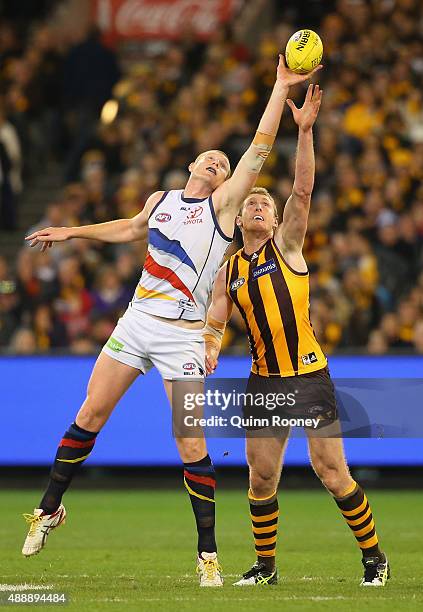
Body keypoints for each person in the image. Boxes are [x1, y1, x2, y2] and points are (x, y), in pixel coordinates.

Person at [21, 56, 321, 586]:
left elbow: (260, 144)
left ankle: (208, 556)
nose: (216, 162)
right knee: (90, 415)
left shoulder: (224, 209)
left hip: (181, 335)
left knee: (189, 442)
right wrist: (71, 231)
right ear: (191, 166)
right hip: (136, 322)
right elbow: (127, 228)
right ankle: (47, 512)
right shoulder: (160, 201)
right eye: (209, 158)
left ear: (228, 180)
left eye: (223, 163)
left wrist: (277, 87)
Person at [204, 84, 389, 587]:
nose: (260, 205)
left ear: (277, 218)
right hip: (264, 381)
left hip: (307, 373)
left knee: (331, 471)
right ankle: (266, 569)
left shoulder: (287, 246)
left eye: (267, 202)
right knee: (261, 477)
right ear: (239, 217)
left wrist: (304, 131)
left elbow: (302, 189)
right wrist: (210, 344)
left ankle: (374, 558)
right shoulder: (229, 269)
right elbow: (216, 320)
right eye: (253, 203)